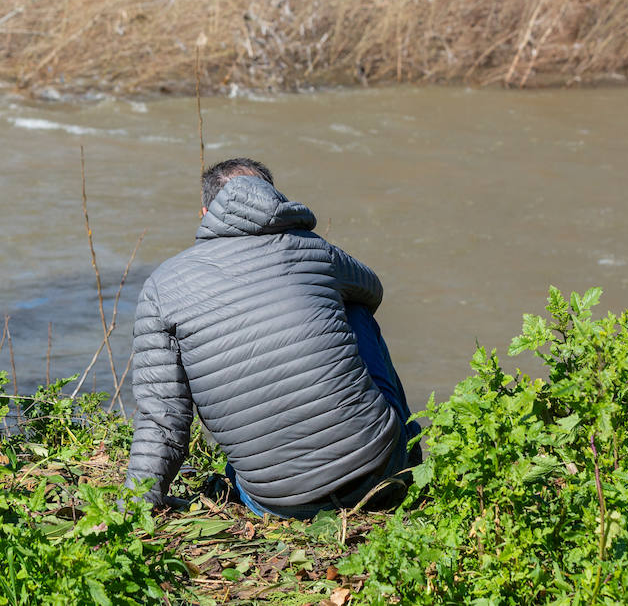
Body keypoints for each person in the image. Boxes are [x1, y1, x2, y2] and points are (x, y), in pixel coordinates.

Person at [125, 158, 423, 518]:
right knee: (354, 308)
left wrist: (134, 506)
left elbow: (163, 416)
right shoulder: (313, 249)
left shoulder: (162, 287)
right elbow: (371, 290)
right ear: (274, 198)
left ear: (205, 212)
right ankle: (412, 455)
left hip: (278, 504)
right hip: (380, 473)